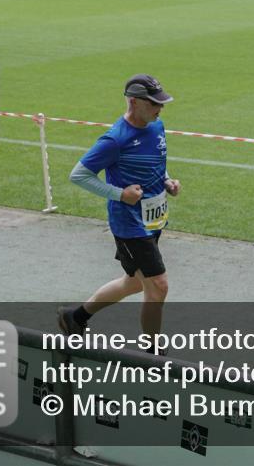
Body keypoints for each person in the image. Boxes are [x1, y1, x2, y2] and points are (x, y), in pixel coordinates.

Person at [61, 74, 179, 349]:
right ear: (134, 102)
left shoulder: (156, 126)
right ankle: (152, 350)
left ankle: (74, 317)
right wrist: (119, 194)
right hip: (129, 224)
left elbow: (155, 163)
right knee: (158, 285)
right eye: (153, 104)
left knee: (136, 283)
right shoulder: (115, 139)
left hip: (153, 219)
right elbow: (78, 175)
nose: (159, 108)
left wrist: (166, 180)